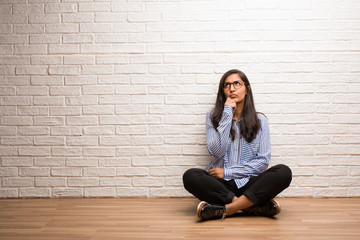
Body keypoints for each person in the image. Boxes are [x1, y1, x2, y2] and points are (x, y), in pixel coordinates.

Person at [183, 69, 292, 221]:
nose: (232, 89)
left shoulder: (261, 121)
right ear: (223, 91)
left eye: (236, 84)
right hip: (221, 185)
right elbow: (216, 152)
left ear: (247, 89)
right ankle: (250, 206)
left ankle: (227, 209)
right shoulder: (213, 116)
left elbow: (262, 162)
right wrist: (227, 112)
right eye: (227, 85)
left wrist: (228, 172)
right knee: (190, 176)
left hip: (249, 182)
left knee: (283, 172)